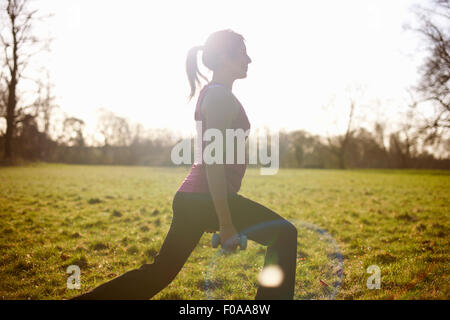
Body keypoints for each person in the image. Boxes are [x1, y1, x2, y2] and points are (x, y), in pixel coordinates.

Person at [71, 29, 297, 300]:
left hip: (196, 199)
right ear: (225, 57)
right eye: (242, 54)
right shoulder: (219, 98)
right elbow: (213, 161)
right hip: (204, 198)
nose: (249, 60)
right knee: (284, 234)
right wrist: (226, 223)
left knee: (159, 273)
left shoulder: (215, 94)